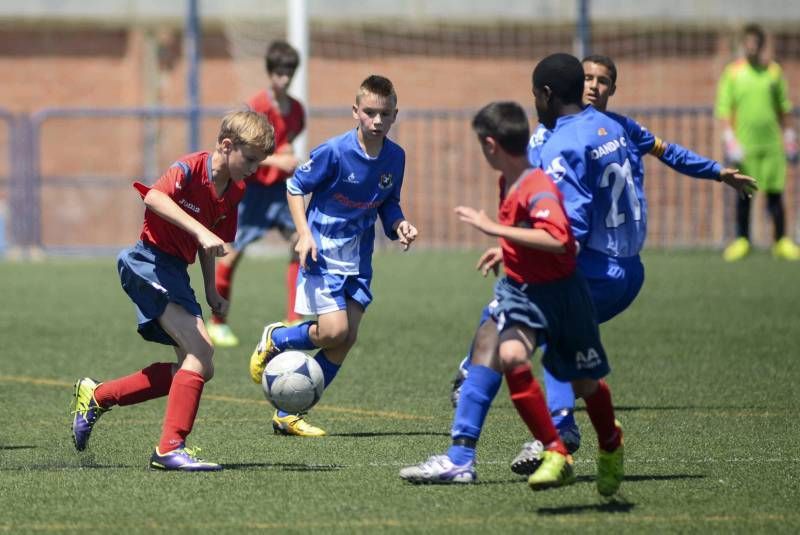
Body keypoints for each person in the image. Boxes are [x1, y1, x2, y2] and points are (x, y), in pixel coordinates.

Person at [451, 54, 758, 475]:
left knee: (517, 328)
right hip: (627, 271)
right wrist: (718, 173)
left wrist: (504, 241)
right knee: (559, 348)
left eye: (603, 80)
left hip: (596, 267)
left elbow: (562, 230)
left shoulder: (561, 141)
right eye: (589, 78)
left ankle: (538, 433)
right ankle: (585, 436)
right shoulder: (618, 129)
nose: (595, 86)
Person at [400, 93, 624, 496]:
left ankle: (611, 446)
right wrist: (506, 250)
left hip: (563, 297)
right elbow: (536, 236)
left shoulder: (537, 185)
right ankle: (479, 457)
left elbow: (558, 239)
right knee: (502, 351)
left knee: (587, 384)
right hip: (521, 292)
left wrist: (495, 230)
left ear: (490, 145)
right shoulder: (510, 180)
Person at [70, 111, 274, 471]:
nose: (255, 169)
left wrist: (211, 290)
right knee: (201, 350)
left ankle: (98, 396)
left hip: (176, 273)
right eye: (251, 159)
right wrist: (200, 231)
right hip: (145, 262)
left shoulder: (236, 190)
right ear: (227, 146)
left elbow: (210, 243)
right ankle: (169, 448)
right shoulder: (189, 169)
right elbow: (154, 200)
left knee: (197, 365)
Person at [248, 75, 418, 437]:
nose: (376, 120)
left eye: (384, 114)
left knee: (347, 337)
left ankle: (288, 413)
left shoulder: (395, 158)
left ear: (394, 116)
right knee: (333, 331)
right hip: (322, 253)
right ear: (355, 111)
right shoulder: (335, 152)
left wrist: (399, 224)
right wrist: (303, 234)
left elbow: (389, 203)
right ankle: (278, 339)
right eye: (369, 112)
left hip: (360, 259)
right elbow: (295, 187)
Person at [208, 41, 307, 348]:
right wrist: (280, 159)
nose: (285, 79)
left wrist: (288, 156)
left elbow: (285, 144)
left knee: (299, 243)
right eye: (279, 72)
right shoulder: (257, 106)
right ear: (270, 73)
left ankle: (294, 317)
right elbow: (247, 155)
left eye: (290, 72)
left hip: (280, 191)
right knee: (232, 254)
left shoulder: (297, 110)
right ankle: (218, 322)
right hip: (252, 192)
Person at [716, 23, 799, 262]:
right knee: (745, 193)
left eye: (756, 42)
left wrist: (789, 135)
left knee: (775, 194)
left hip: (772, 145)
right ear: (743, 44)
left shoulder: (773, 72)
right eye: (748, 42)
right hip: (745, 146)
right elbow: (724, 108)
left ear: (761, 45)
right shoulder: (733, 72)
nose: (752, 46)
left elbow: (783, 106)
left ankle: (781, 241)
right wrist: (730, 139)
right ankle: (743, 240)